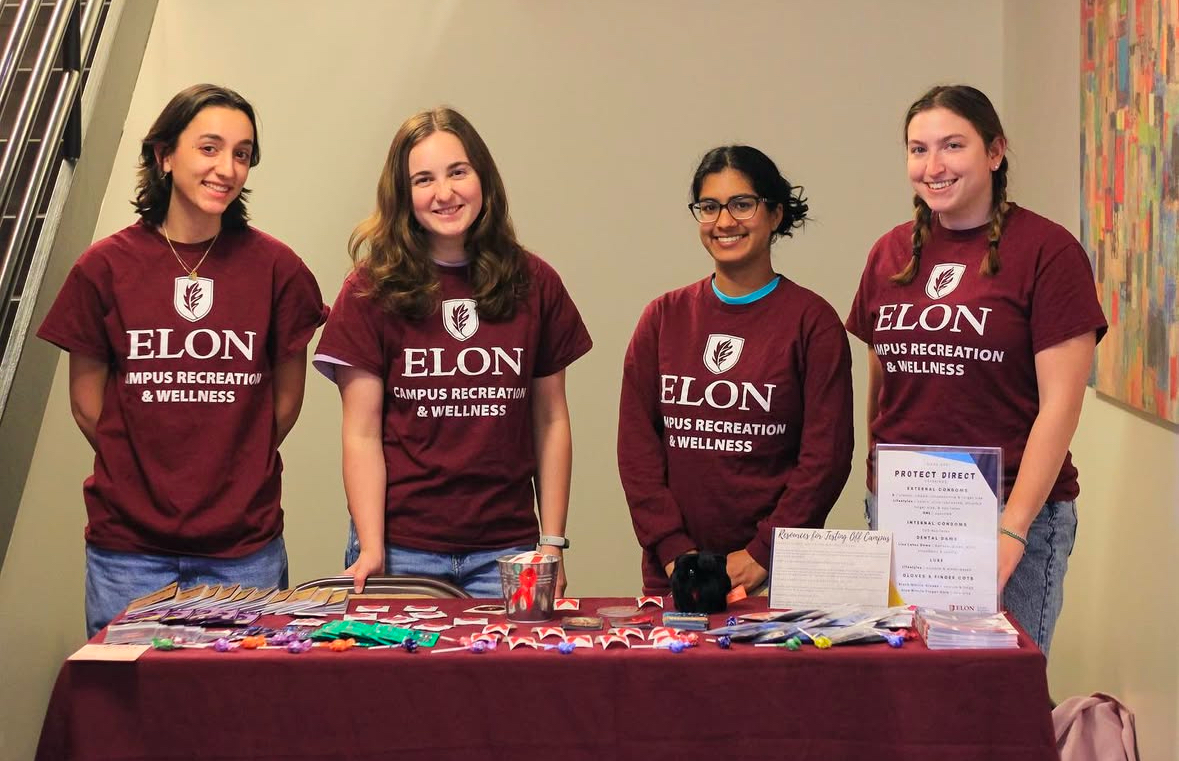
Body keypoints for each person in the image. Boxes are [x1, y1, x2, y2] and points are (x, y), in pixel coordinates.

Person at [37, 84, 328, 637]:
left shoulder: (278, 269)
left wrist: (234, 464)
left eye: (242, 154)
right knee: (130, 691)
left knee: (245, 691)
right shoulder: (105, 268)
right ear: (164, 155)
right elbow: (86, 403)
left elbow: (286, 401)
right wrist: (143, 469)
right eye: (209, 148)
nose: (227, 168)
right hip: (128, 551)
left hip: (244, 549)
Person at [845, 85, 1107, 657]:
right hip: (904, 514)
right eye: (918, 149)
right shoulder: (889, 253)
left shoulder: (1048, 252)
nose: (933, 166)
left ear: (994, 151)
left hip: (1008, 514)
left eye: (952, 146)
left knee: (995, 697)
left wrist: (1013, 530)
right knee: (904, 691)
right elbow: (881, 382)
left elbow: (1061, 407)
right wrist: (877, 484)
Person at [314, 107, 591, 598]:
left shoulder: (534, 282)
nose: (444, 193)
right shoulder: (369, 290)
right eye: (424, 179)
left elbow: (551, 420)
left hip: (509, 552)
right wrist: (372, 548)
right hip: (401, 550)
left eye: (458, 172)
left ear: (483, 177)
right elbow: (361, 433)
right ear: (403, 195)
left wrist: (551, 544)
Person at [618, 145, 854, 596]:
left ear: (776, 214)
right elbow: (637, 449)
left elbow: (826, 458)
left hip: (775, 572)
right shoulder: (663, 318)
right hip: (676, 572)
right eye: (709, 207)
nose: (724, 221)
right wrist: (674, 550)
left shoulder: (812, 322)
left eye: (742, 204)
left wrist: (763, 552)